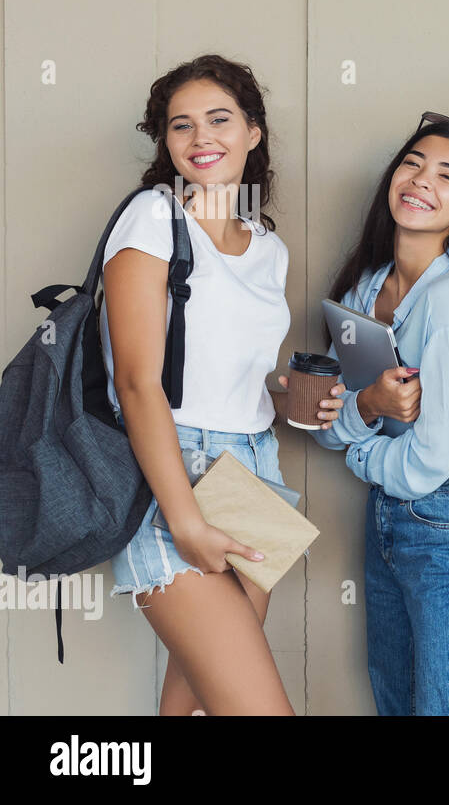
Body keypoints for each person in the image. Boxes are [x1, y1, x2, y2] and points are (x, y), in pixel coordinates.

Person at [104, 54, 299, 715]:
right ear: (165, 143)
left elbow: (235, 373)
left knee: (187, 709)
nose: (201, 138)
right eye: (180, 125)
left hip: (253, 474)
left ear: (253, 131)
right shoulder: (154, 218)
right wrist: (184, 519)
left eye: (219, 119)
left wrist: (299, 397)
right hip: (173, 473)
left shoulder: (269, 249)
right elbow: (136, 382)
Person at [310, 113, 449, 716]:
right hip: (387, 518)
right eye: (412, 164)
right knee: (394, 701)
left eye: (448, 176)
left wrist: (361, 445)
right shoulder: (363, 291)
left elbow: (433, 456)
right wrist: (368, 405)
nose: (422, 180)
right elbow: (324, 423)